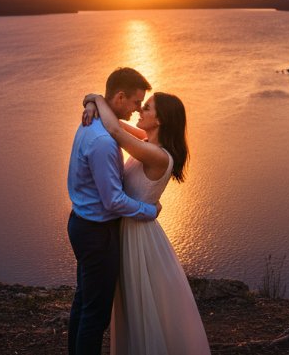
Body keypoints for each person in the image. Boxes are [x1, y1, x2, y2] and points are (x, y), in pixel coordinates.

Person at [81, 90, 211, 355]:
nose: (140, 110)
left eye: (147, 108)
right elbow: (115, 125)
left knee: (140, 302)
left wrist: (96, 97)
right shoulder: (147, 141)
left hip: (137, 236)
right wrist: (93, 103)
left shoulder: (158, 155)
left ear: (160, 120)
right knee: (136, 302)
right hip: (133, 227)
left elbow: (115, 132)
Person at [67, 67, 161, 355]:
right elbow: (113, 201)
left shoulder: (92, 122)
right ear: (119, 97)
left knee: (84, 300)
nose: (136, 110)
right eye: (135, 102)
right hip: (97, 233)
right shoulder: (105, 142)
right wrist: (149, 209)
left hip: (82, 223)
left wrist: (92, 100)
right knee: (96, 314)